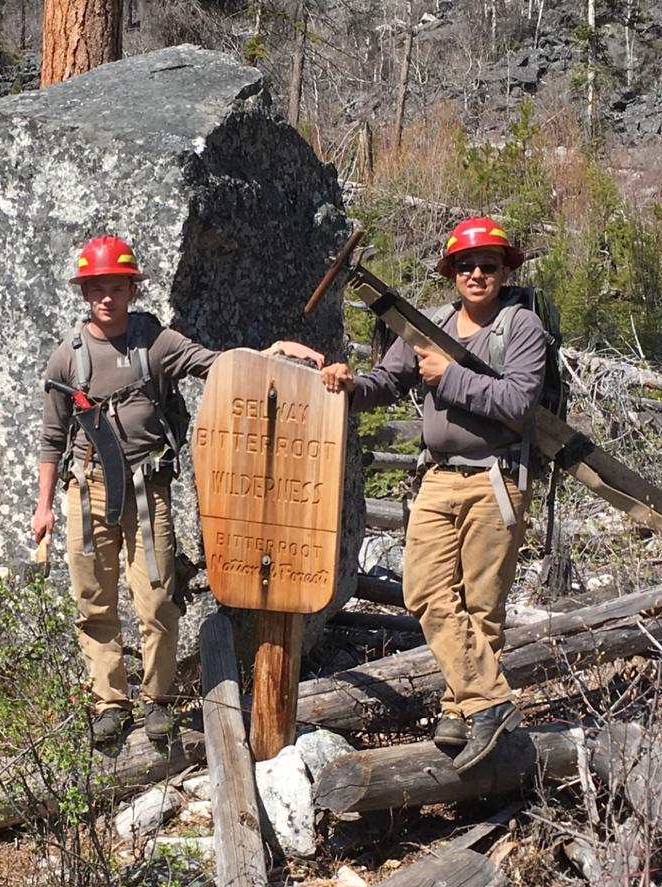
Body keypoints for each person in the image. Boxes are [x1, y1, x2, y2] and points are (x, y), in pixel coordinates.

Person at [33, 235, 322, 746]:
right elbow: (53, 436)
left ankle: (157, 700)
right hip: (87, 492)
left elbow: (216, 364)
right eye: (96, 286)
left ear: (130, 288)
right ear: (84, 293)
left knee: (159, 597)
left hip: (147, 493)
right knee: (92, 600)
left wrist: (271, 353)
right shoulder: (67, 359)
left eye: (116, 286)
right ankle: (109, 701)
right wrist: (43, 507)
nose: (106, 296)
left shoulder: (156, 344)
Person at [319, 217, 546, 773]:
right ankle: (491, 702)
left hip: (496, 476)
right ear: (450, 272)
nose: (476, 274)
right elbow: (387, 382)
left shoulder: (521, 328)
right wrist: (350, 385)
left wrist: (448, 377)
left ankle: (461, 710)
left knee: (481, 606)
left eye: (488, 264)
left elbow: (518, 404)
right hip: (438, 477)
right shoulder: (429, 324)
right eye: (465, 265)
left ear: (505, 269)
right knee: (423, 590)